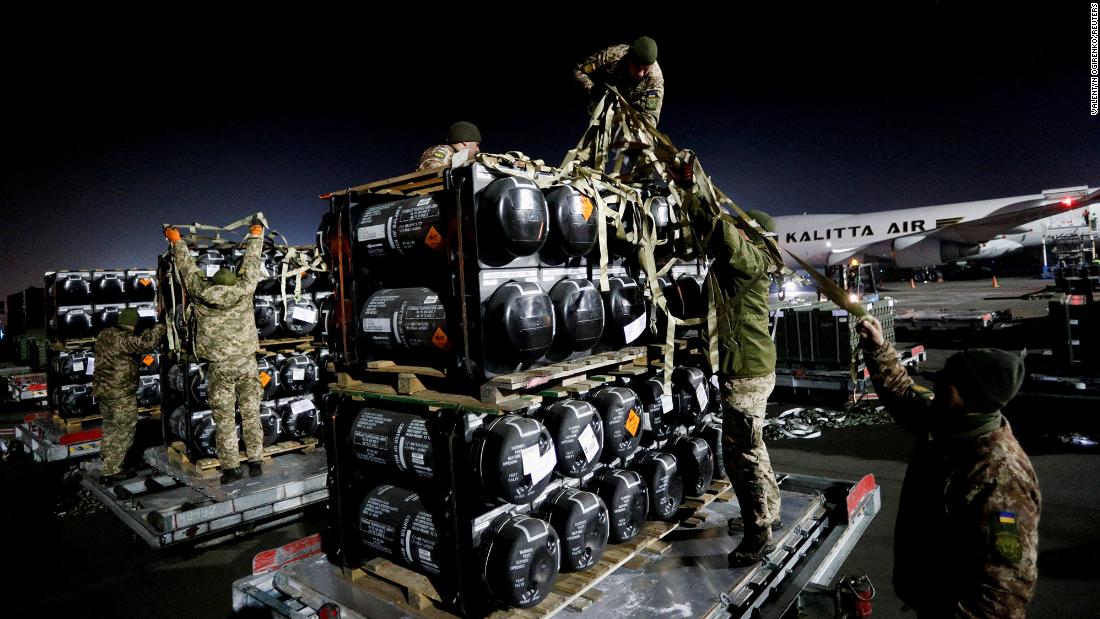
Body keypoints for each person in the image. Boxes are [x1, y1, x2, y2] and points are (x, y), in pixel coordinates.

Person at [856, 316, 1040, 617]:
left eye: (947, 381)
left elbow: (1006, 588)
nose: (937, 383)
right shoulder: (949, 422)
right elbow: (904, 394)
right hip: (931, 598)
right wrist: (878, 348)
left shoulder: (1000, 475)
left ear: (967, 395)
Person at [686, 196, 783, 566]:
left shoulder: (751, 260)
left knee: (741, 456)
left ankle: (758, 535)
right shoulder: (755, 262)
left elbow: (726, 235)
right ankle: (769, 514)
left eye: (741, 229)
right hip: (752, 365)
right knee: (754, 449)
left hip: (746, 371)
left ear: (750, 235)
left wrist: (692, 192)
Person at [165, 221, 267, 483]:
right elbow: (251, 265)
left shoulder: (201, 293)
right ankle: (255, 461)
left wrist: (177, 241)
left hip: (220, 367)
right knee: (251, 413)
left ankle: (231, 468)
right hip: (246, 363)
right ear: (234, 282)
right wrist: (256, 235)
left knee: (223, 418)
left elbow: (188, 271)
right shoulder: (244, 291)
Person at [94, 308, 166, 484]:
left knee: (111, 427)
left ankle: (107, 460)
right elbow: (146, 344)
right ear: (134, 324)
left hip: (103, 391)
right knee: (124, 430)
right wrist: (159, 326)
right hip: (120, 393)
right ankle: (111, 471)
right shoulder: (123, 339)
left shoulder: (105, 334)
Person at [574, 36, 664, 126]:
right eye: (637, 66)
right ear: (629, 59)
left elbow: (650, 117)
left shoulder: (655, 79)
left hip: (630, 115)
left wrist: (633, 126)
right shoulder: (612, 55)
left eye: (646, 68)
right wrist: (591, 88)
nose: (640, 73)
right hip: (602, 106)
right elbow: (579, 71)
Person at [417, 121, 481, 171]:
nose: (478, 150)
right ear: (465, 141)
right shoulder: (443, 151)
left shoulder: (458, 157)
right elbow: (431, 178)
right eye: (477, 145)